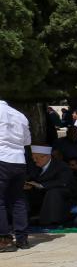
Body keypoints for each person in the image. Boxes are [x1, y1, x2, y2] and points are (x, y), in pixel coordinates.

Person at [1, 99, 31, 250]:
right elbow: (27, 141)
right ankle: (22, 239)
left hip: (2, 157)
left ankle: (4, 239)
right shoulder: (20, 115)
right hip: (19, 160)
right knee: (18, 199)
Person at [24, 145, 73, 226]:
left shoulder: (61, 166)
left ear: (46, 157)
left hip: (58, 192)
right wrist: (27, 184)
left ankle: (50, 220)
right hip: (38, 193)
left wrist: (41, 185)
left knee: (53, 192)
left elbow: (63, 182)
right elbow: (30, 176)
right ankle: (24, 217)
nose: (34, 160)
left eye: (37, 158)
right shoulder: (34, 165)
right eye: (33, 158)